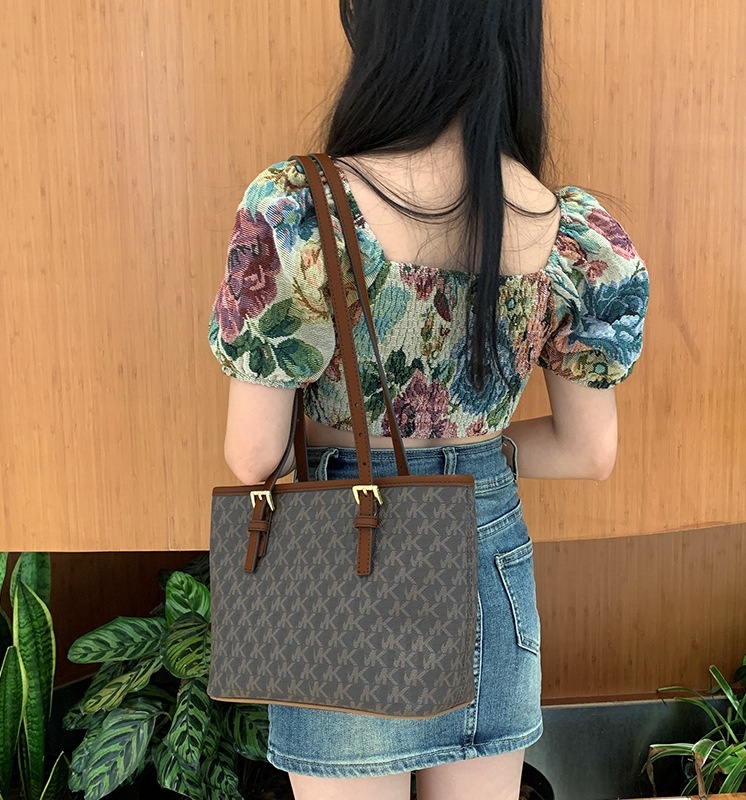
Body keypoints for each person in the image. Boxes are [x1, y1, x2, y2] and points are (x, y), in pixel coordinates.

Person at [208, 0, 649, 797]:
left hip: (344, 556)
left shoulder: (304, 207)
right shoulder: (576, 235)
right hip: (490, 554)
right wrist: (469, 458)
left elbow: (254, 455)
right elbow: (589, 452)